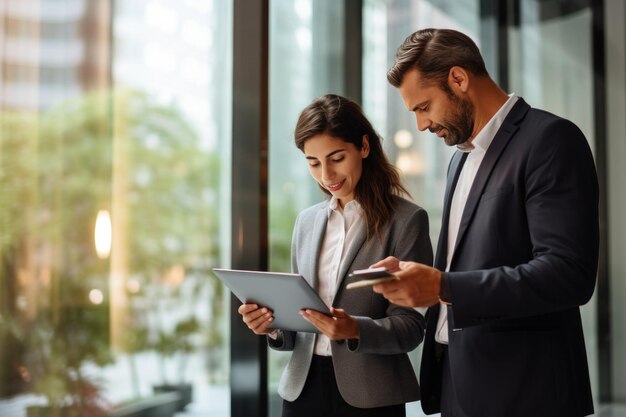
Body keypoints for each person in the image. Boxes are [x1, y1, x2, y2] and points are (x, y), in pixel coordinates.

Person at [371, 28, 599, 417]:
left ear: (458, 79)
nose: (421, 125)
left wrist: (443, 286)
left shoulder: (550, 140)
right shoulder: (459, 158)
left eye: (423, 107)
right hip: (459, 389)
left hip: (527, 395)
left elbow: (567, 274)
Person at [238, 94, 433, 417]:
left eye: (337, 157)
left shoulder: (406, 221)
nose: (326, 174)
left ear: (364, 148)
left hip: (371, 395)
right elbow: (299, 323)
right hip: (303, 389)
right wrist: (271, 326)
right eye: (313, 163)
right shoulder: (307, 221)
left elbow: (411, 327)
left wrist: (354, 329)